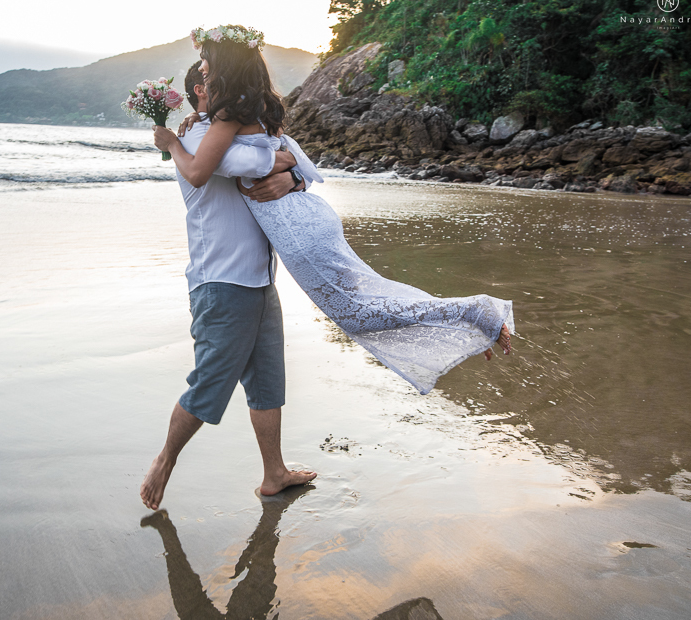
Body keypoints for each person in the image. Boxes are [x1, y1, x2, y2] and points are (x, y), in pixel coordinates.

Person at [153, 24, 514, 398]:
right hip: (309, 215)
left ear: (222, 65)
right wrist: (292, 176)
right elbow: (303, 167)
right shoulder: (257, 108)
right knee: (371, 297)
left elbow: (204, 171)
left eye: (206, 60)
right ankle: (468, 322)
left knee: (358, 310)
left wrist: (172, 143)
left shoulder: (227, 116)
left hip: (296, 230)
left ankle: (475, 313)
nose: (203, 67)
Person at [138, 62, 317, 512]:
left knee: (267, 381)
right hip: (221, 283)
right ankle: (164, 462)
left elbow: (304, 167)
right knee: (209, 386)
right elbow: (245, 161)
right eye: (217, 77)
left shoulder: (226, 133)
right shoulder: (197, 138)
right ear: (203, 89)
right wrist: (286, 160)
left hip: (258, 278)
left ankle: (274, 474)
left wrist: (293, 174)